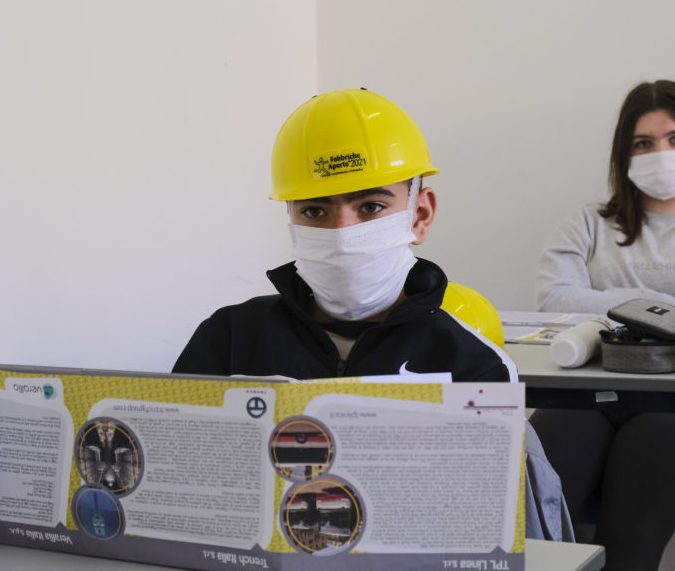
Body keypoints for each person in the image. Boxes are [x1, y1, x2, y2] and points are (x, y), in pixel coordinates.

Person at [530, 80, 675, 570]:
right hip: (583, 399)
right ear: (624, 155)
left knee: (628, 546)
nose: (661, 154)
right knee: (529, 531)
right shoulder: (583, 225)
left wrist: (607, 308)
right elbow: (552, 305)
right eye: (643, 143)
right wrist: (668, 308)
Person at [172, 88, 515, 383]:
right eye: (315, 211)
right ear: (291, 215)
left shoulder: (471, 363)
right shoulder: (229, 340)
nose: (342, 233)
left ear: (420, 215)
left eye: (371, 207)